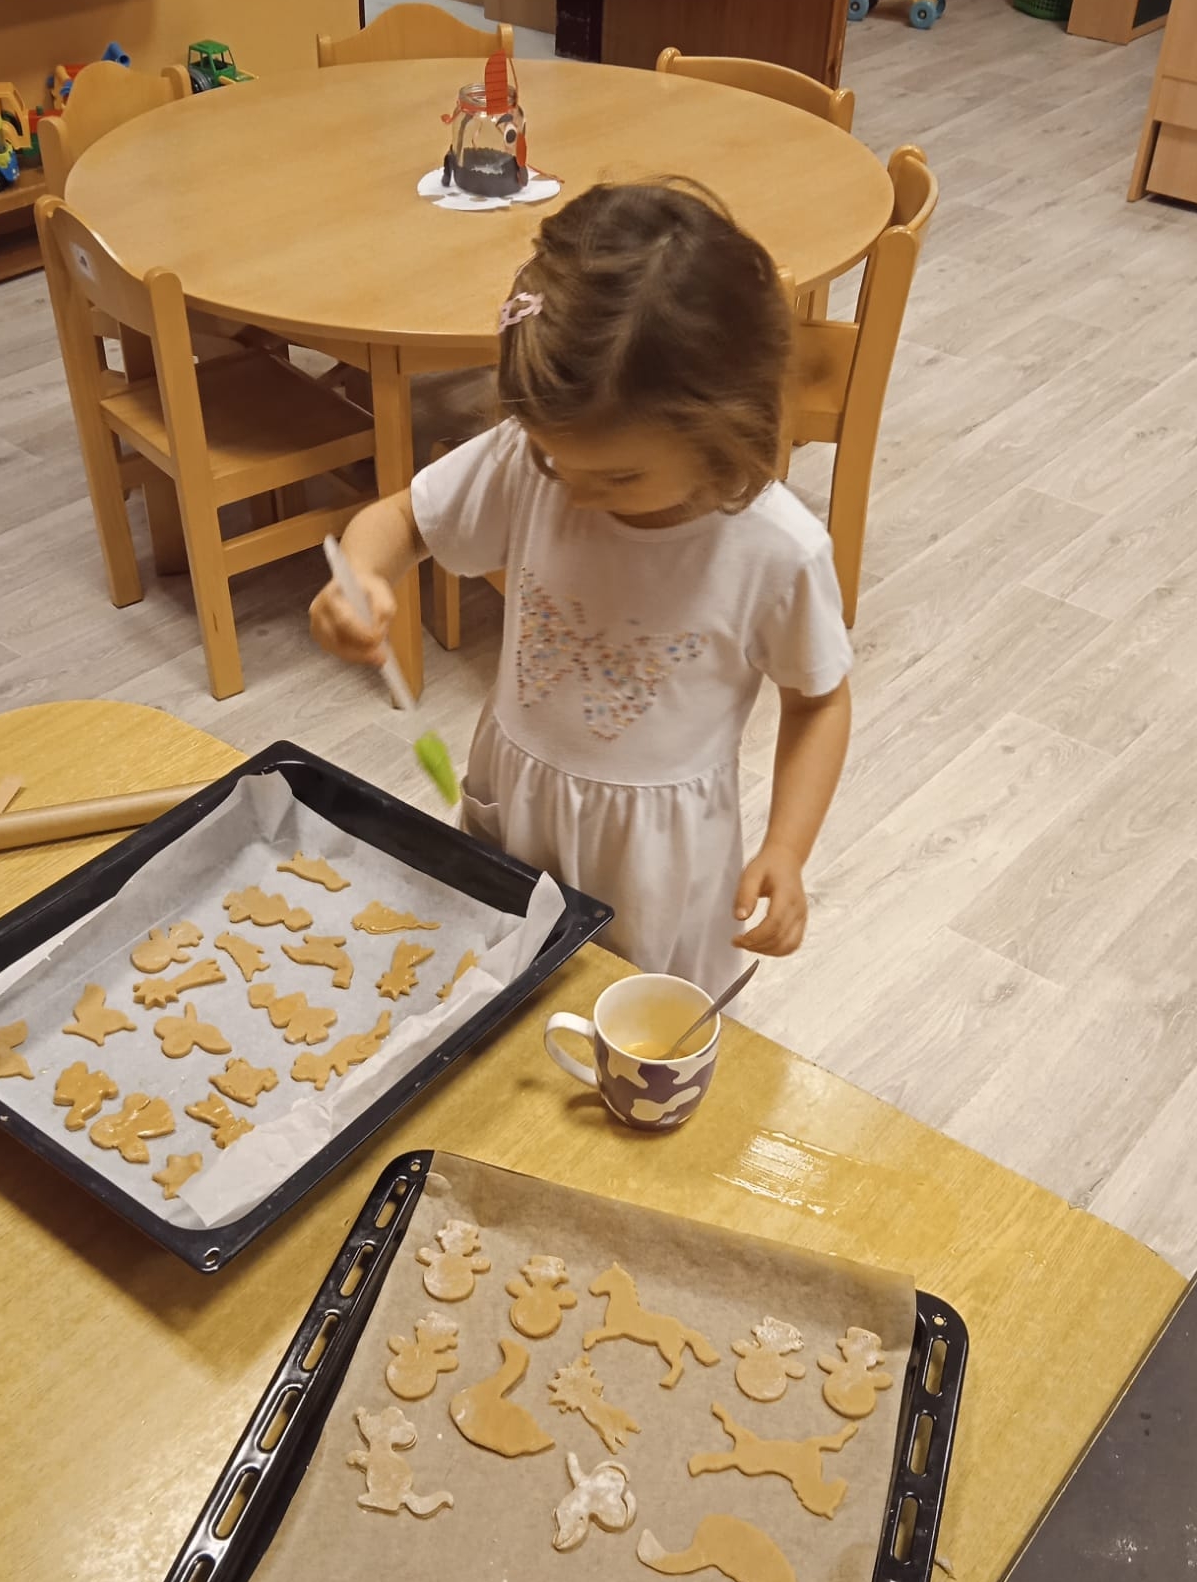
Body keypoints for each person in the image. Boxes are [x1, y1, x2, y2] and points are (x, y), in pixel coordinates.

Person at [310, 179, 852, 998]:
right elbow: (401, 521)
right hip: (517, 810)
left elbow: (819, 703)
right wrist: (360, 575)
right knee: (502, 1001)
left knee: (638, 1025)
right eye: (553, 458)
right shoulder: (535, 462)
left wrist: (787, 848)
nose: (574, 489)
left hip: (658, 858)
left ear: (725, 427)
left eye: (618, 476)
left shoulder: (777, 551)